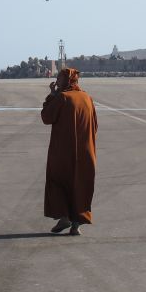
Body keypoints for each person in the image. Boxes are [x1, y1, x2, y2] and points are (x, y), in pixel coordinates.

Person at [41, 67, 98, 236]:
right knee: (81, 185)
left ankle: (65, 216)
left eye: (59, 78)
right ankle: (76, 223)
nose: (56, 81)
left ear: (67, 80)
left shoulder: (62, 98)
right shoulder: (87, 97)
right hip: (86, 153)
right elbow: (95, 125)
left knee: (58, 182)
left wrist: (52, 96)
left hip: (63, 153)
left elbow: (46, 117)